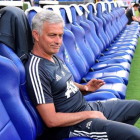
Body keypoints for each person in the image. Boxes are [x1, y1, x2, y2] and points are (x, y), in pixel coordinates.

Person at [25, 10, 140, 140]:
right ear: (36, 35)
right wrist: (89, 114)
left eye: (60, 35)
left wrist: (85, 88)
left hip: (84, 107)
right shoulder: (36, 69)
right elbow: (51, 120)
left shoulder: (52, 56)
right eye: (52, 35)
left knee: (135, 106)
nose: (58, 41)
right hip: (71, 127)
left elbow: (61, 83)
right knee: (134, 134)